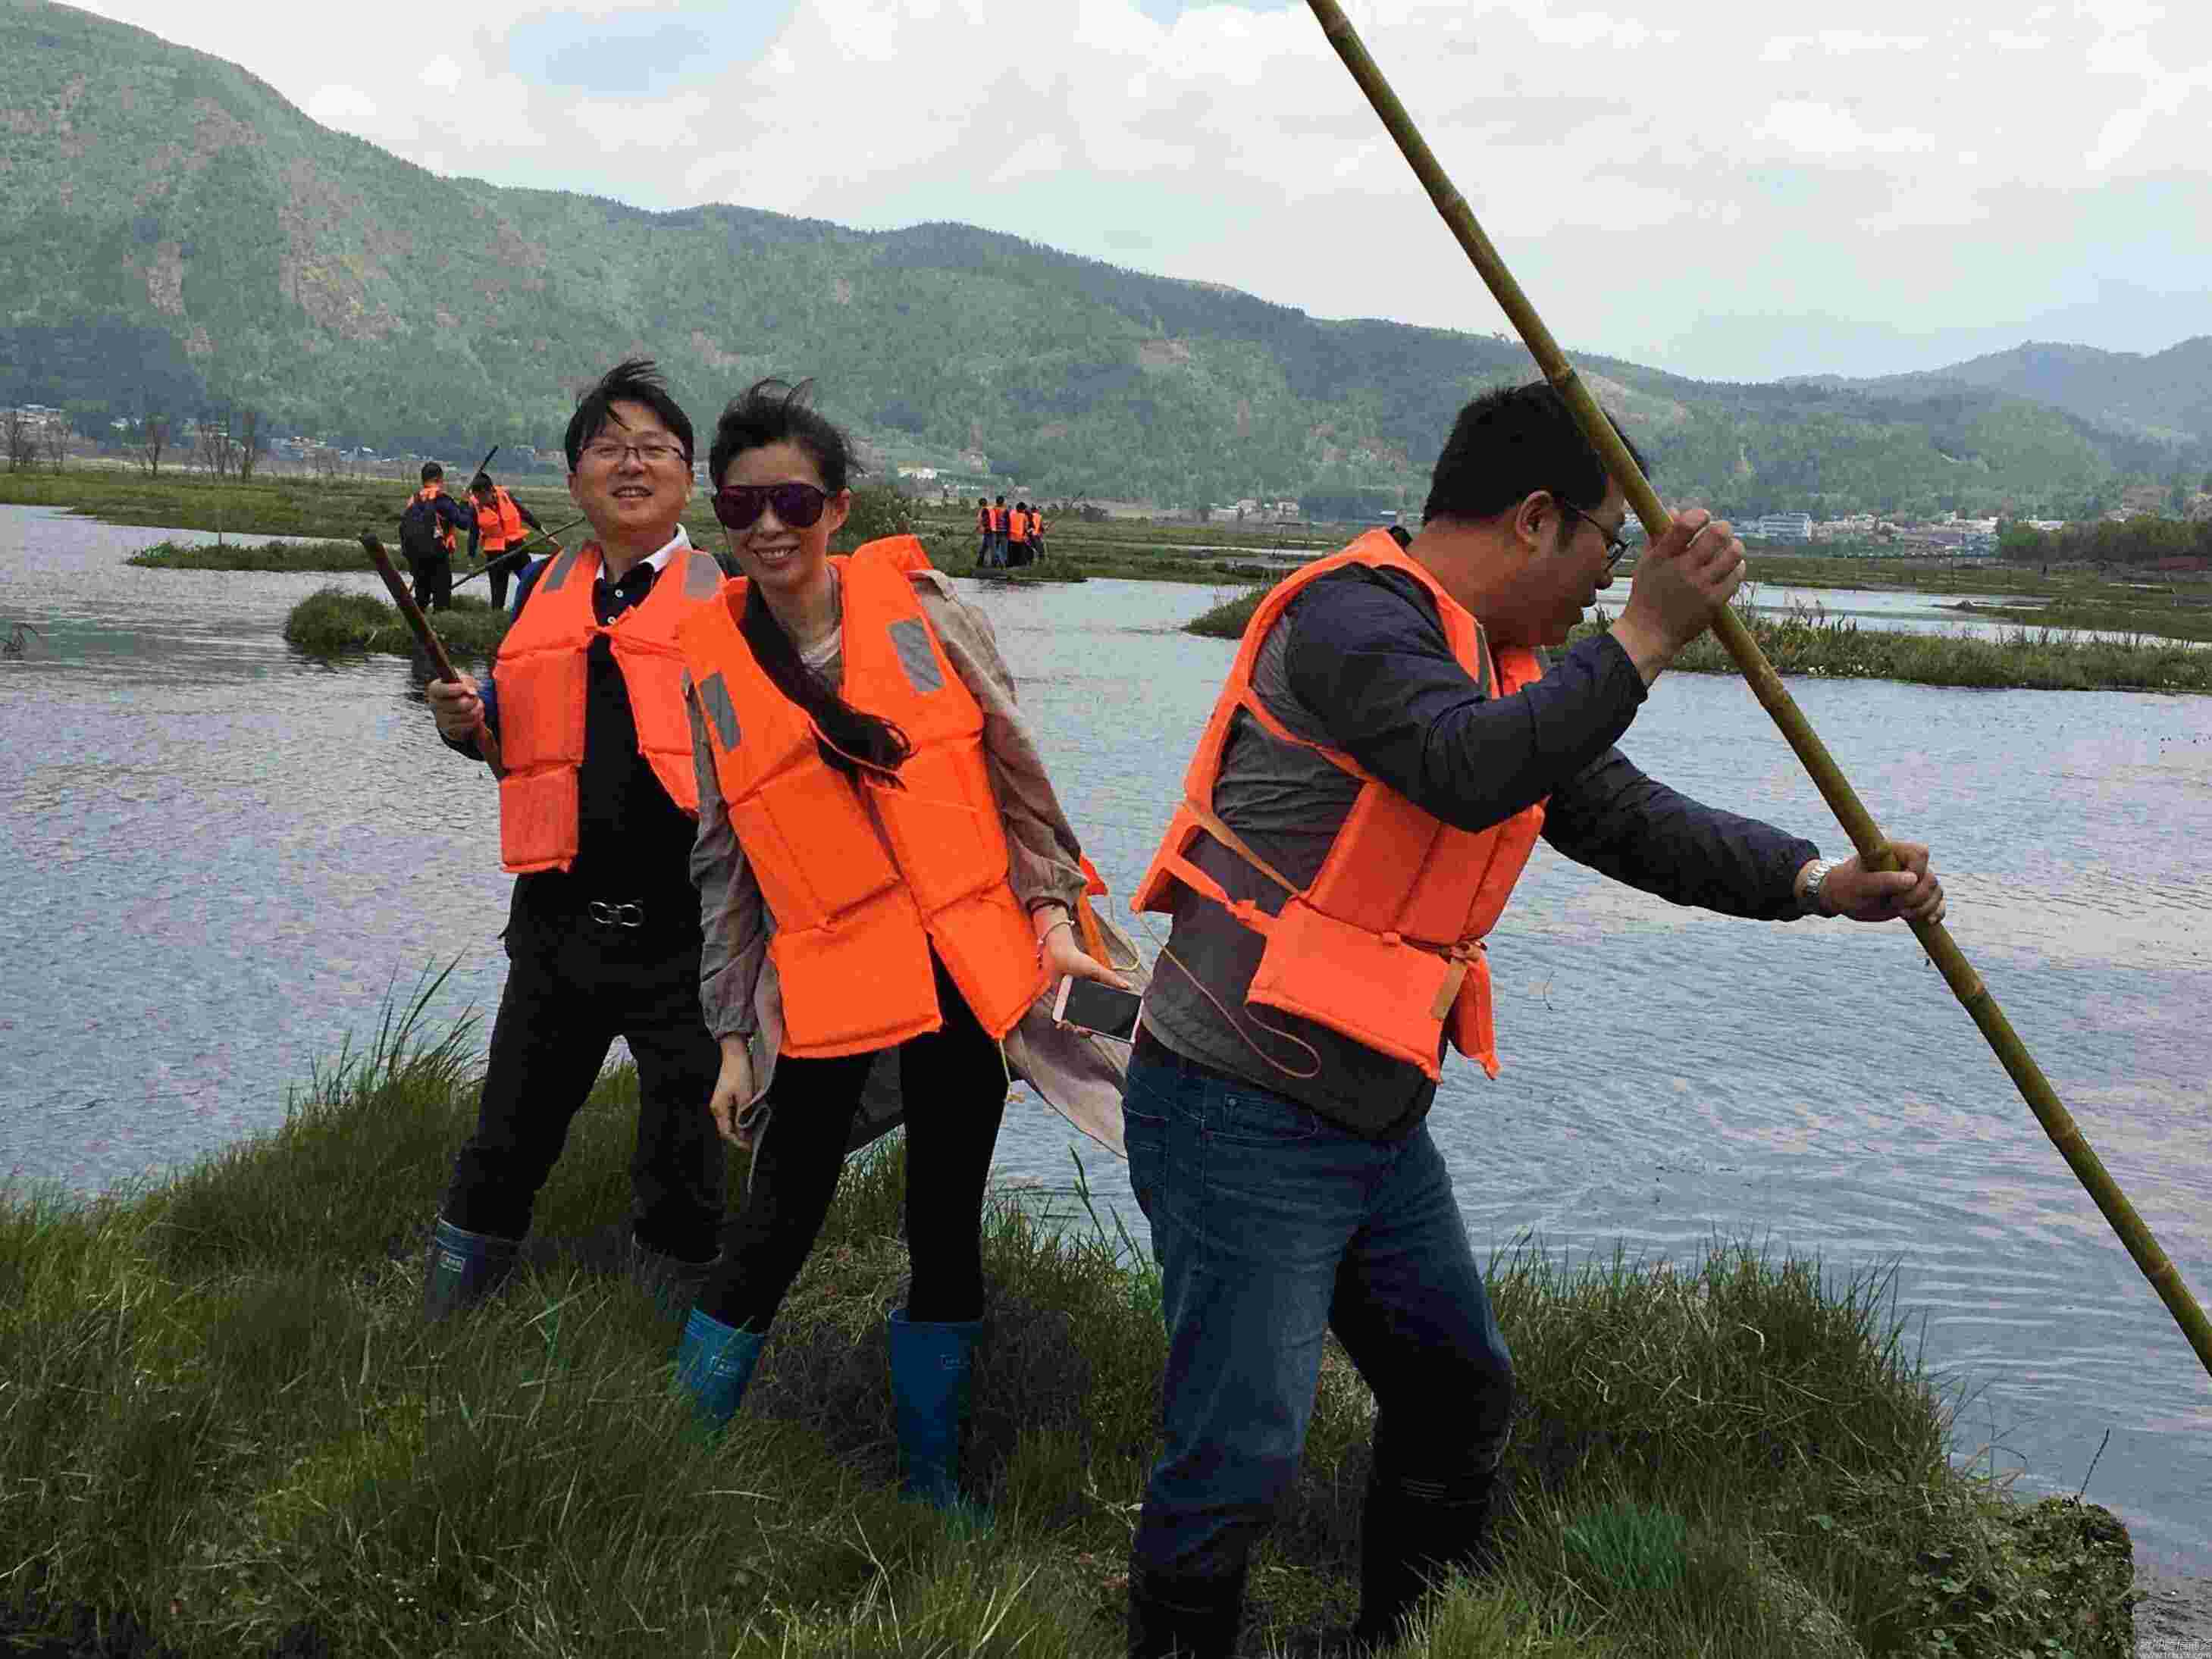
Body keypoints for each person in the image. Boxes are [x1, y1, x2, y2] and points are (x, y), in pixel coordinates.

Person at [1118, 382, 1948, 1657]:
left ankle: (1393, 1640)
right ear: (1533, 519)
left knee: (1455, 1392)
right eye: (1605, 547)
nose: (1601, 579)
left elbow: (1614, 810)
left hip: (1369, 1112)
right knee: (1238, 1444)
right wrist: (1640, 639)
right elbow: (1465, 771)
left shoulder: (1490, 661)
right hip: (1237, 1100)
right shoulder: (1355, 620)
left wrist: (1811, 882)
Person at [669, 378, 1141, 1512]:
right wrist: (734, 1036)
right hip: (831, 987)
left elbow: (1017, 773)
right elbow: (725, 863)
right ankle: (673, 1464)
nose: (768, 526)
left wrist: (1050, 915)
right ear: (721, 521)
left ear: (835, 506)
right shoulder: (712, 663)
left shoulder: (924, 609)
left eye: (792, 499)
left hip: (965, 970)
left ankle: (931, 1480)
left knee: (944, 1217)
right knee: (777, 1219)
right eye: (741, 508)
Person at [418, 358, 732, 1319]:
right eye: (607, 447)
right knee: (503, 1139)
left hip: (688, 937)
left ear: (689, 476)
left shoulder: (731, 601)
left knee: (685, 1157)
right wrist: (466, 724)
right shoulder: (542, 590)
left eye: (653, 449)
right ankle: (440, 1331)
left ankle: (659, 1353)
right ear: (574, 475)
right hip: (555, 928)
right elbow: (527, 744)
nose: (629, 464)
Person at [398, 462, 474, 612]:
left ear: (423, 480)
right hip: (436, 557)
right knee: (442, 601)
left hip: (415, 557)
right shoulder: (441, 499)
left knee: (421, 598)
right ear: (440, 479)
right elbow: (464, 523)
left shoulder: (414, 499)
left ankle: (415, 629)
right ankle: (441, 630)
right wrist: (465, 503)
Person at [467, 471, 547, 612]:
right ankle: (498, 620)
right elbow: (473, 535)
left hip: (517, 548)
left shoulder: (506, 496)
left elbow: (524, 513)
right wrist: (471, 561)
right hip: (496, 554)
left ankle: (533, 612)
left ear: (490, 491)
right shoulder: (474, 507)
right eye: (476, 497)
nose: (479, 500)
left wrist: (541, 529)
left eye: (481, 497)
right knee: (498, 597)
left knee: (531, 582)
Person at [1007, 502, 1032, 568]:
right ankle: (1021, 565)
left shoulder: (1011, 514)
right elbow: (1026, 528)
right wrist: (1026, 535)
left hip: (1010, 537)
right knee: (1022, 554)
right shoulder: (1024, 516)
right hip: (1019, 538)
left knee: (1011, 554)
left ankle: (1010, 565)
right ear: (1022, 509)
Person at [975, 496, 994, 569]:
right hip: (992, 532)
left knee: (985, 549)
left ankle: (985, 565)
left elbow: (980, 521)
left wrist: (979, 526)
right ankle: (985, 564)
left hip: (985, 533)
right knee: (988, 549)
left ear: (980, 504)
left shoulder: (981, 512)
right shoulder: (991, 509)